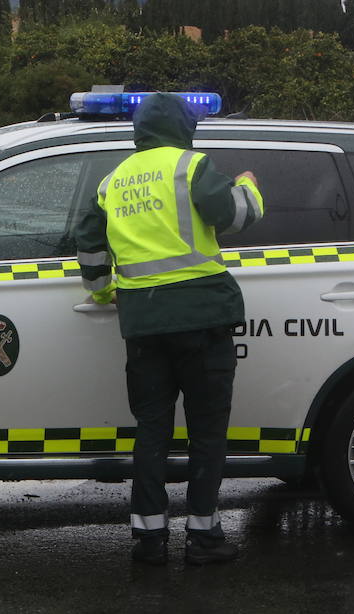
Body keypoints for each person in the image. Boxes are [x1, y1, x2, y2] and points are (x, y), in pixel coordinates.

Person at [73, 92, 264, 566]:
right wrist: (248, 185)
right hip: (202, 319)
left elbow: (89, 241)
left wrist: (101, 291)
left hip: (144, 325)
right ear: (184, 127)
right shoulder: (191, 166)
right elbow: (236, 215)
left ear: (138, 131)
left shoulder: (112, 181)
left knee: (152, 431)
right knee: (206, 433)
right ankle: (203, 537)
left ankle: (149, 538)